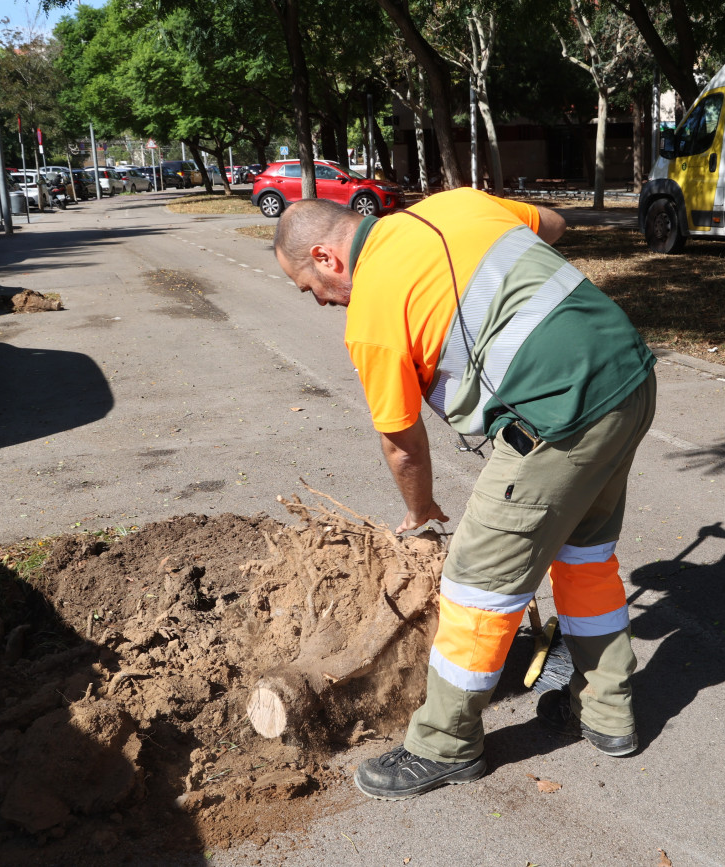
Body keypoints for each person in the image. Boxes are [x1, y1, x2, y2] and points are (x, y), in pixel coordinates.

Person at [272, 188, 657, 800]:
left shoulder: (372, 315)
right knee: (584, 557)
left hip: (560, 413)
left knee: (477, 581)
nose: (319, 300)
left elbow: (402, 444)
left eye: (308, 287)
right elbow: (554, 224)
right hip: (628, 374)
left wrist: (421, 510)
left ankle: (445, 745)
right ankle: (607, 714)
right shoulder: (451, 206)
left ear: (326, 257)